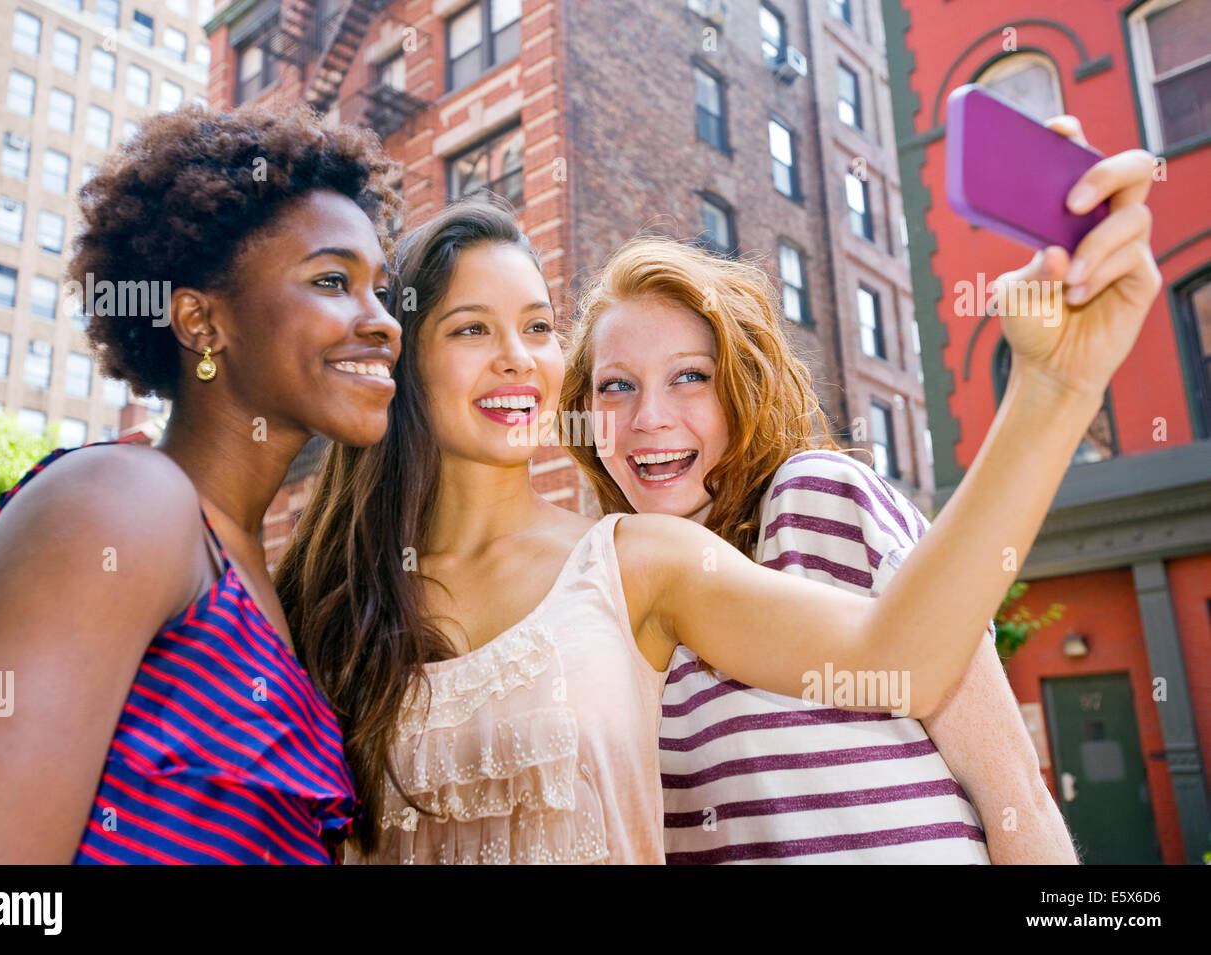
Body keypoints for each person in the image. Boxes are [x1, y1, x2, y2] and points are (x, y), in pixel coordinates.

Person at [278, 116, 1159, 864]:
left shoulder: (700, 543)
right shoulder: (342, 597)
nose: (516, 354)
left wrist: (1051, 391)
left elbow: (946, 707)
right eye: (472, 327)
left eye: (538, 326)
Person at [560, 121, 1102, 862]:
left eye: (690, 376)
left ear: (741, 392)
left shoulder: (815, 503)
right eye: (616, 386)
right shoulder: (610, 613)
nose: (648, 417)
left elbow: (1016, 795)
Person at [0, 104, 402, 864]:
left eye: (381, 287)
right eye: (333, 279)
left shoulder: (253, 577)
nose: (383, 322)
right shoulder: (122, 503)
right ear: (202, 322)